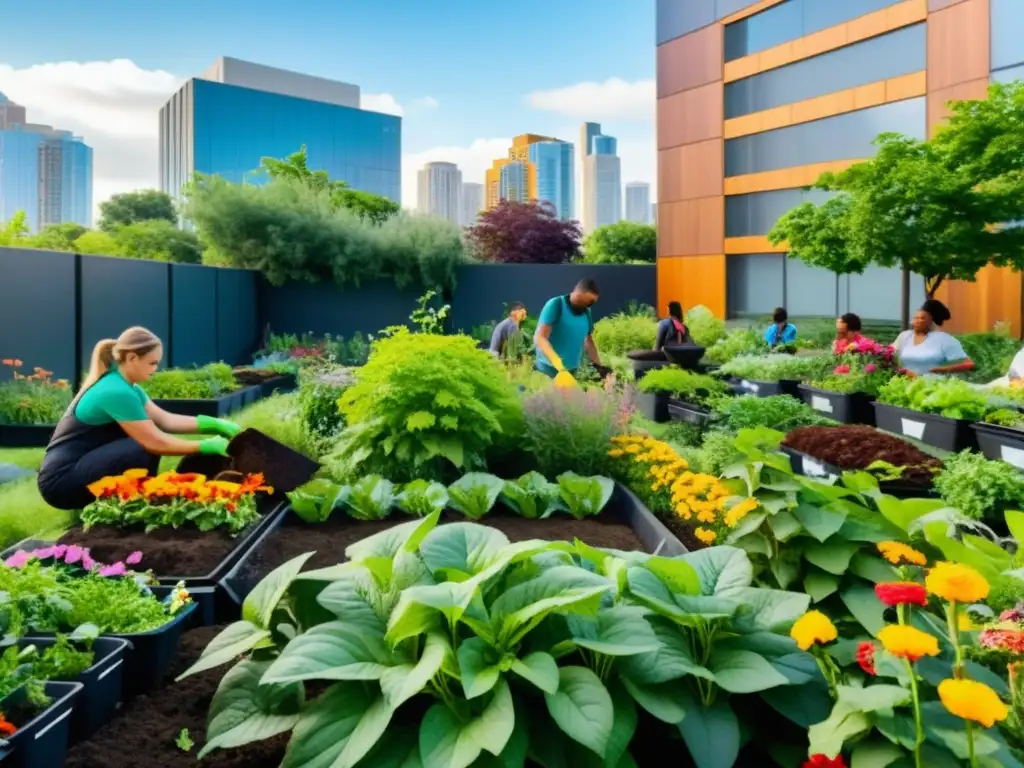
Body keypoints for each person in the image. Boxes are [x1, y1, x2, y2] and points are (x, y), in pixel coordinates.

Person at [37, 327, 241, 510]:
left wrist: (215, 424)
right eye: (152, 363)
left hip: (79, 469)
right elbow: (155, 441)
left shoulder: (127, 386)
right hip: (61, 482)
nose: (156, 369)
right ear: (132, 358)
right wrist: (206, 446)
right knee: (141, 446)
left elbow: (165, 420)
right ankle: (136, 503)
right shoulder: (115, 390)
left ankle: (135, 502)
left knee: (141, 444)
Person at [533, 278, 605, 386]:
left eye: (591, 303)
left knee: (567, 402)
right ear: (577, 292)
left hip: (571, 371)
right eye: (587, 301)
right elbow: (539, 337)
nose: (588, 305)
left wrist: (599, 367)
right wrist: (557, 362)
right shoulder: (556, 305)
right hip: (548, 370)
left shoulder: (586, 312)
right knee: (546, 402)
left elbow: (589, 341)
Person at [892, 299, 975, 377]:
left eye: (923, 318)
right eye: (916, 318)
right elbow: (888, 354)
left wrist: (942, 370)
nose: (917, 321)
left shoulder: (945, 339)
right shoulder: (905, 336)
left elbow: (968, 364)